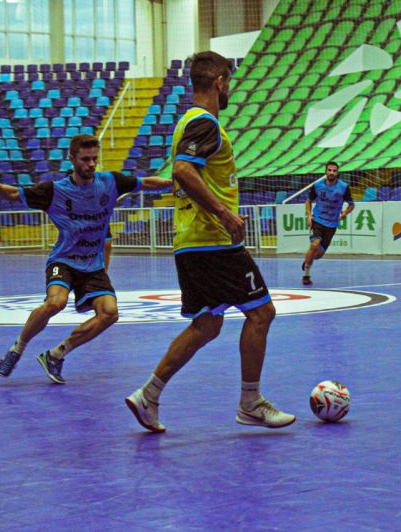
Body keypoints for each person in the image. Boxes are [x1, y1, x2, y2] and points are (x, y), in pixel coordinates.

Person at [125, 51, 295, 433]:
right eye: (228, 82)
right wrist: (224, 213)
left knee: (207, 325)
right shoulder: (205, 123)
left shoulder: (186, 122)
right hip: (213, 241)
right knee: (261, 313)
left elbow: (184, 170)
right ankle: (250, 403)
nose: (229, 89)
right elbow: (183, 170)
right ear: (219, 82)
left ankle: (148, 395)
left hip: (190, 241)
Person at [0, 134, 172, 383]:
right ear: (72, 159)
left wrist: (175, 182)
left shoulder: (110, 182)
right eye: (85, 159)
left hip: (92, 266)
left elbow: (147, 182)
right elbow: (12, 194)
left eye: (95, 158)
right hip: (64, 260)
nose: (91, 164)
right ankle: (16, 349)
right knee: (56, 303)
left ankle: (56, 355)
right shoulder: (54, 191)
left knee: (110, 313)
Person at [301, 161, 355, 285]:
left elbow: (351, 205)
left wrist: (345, 213)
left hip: (332, 224)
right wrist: (309, 216)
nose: (331, 172)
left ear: (337, 173)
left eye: (334, 171)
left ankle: (308, 260)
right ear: (325, 172)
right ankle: (306, 275)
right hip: (318, 220)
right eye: (329, 170)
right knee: (314, 244)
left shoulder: (343, 187)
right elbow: (308, 201)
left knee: (318, 255)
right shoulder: (317, 186)